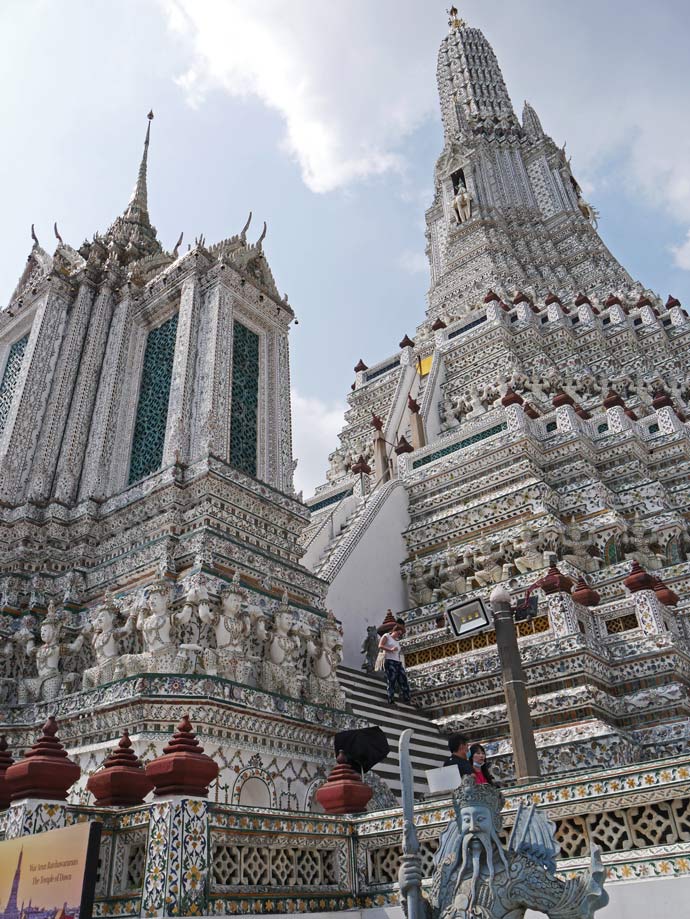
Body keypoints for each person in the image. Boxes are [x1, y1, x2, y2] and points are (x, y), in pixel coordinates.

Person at [378, 623, 411, 705]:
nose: (398, 635)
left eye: (400, 634)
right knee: (391, 680)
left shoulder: (397, 642)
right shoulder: (387, 636)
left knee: (403, 679)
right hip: (389, 661)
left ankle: (407, 698)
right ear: (394, 631)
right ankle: (391, 698)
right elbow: (380, 645)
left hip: (397, 662)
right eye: (398, 633)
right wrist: (390, 649)